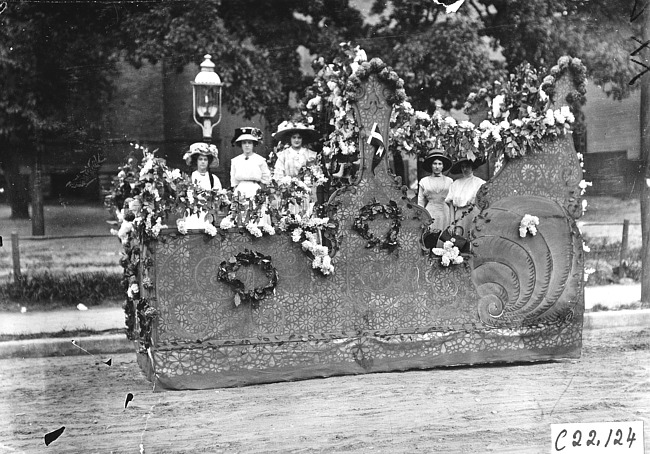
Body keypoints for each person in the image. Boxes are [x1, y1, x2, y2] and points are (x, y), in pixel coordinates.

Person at [181, 142, 222, 229]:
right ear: (196, 161)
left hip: (207, 213)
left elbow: (218, 197)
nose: (203, 162)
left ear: (208, 162)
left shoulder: (213, 179)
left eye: (205, 159)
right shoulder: (191, 177)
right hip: (192, 213)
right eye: (200, 159)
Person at [445, 157, 485, 238]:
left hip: (474, 214)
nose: (465, 169)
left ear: (472, 167)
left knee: (473, 239)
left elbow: (484, 203)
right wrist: (452, 223)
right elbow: (451, 205)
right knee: (458, 240)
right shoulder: (456, 183)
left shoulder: (480, 183)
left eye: (467, 166)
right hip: (459, 216)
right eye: (462, 167)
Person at [230, 127, 271, 198]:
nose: (247, 145)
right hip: (240, 190)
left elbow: (266, 178)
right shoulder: (235, 160)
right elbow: (233, 180)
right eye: (244, 143)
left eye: (249, 143)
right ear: (241, 145)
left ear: (253, 144)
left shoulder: (260, 160)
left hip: (255, 189)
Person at [418, 152, 453, 235]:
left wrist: (452, 222)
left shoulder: (449, 181)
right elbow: (420, 202)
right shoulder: (424, 181)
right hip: (430, 211)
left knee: (445, 236)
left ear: (443, 166)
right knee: (430, 235)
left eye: (440, 164)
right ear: (431, 165)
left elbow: (452, 202)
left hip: (445, 212)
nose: (437, 167)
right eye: (435, 164)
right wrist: (421, 217)